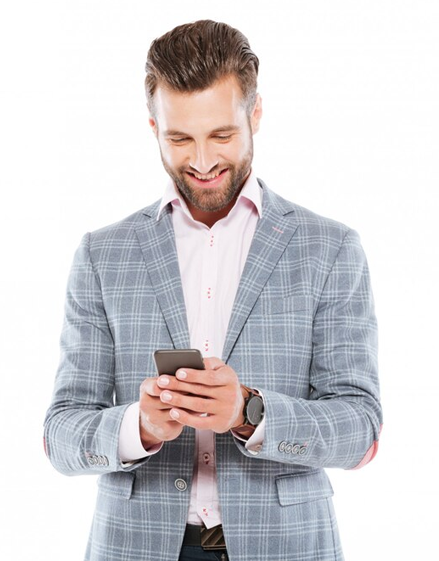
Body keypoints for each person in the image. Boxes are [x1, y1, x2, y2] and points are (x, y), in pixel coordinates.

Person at [44, 19, 383, 561]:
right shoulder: (101, 254)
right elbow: (61, 435)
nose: (202, 162)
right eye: (179, 138)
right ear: (153, 126)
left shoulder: (331, 248)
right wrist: (138, 426)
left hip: (286, 547)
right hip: (134, 545)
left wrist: (249, 412)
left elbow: (361, 429)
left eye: (221, 136)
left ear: (256, 114)